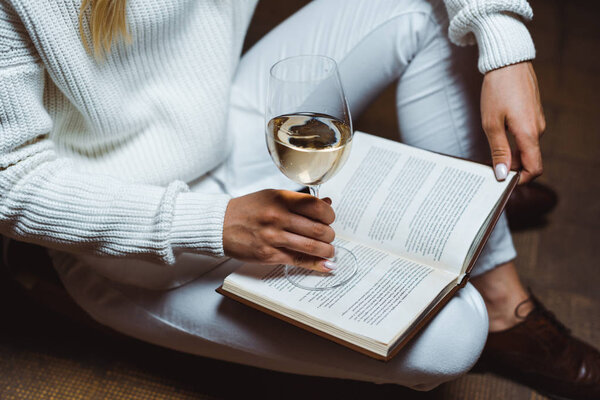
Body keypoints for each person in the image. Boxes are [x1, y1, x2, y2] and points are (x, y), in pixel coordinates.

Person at [0, 0, 597, 397]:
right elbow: (9, 181)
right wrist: (212, 222)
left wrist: (503, 40)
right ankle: (53, 282)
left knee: (426, 11)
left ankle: (498, 289)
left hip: (221, 120)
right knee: (453, 338)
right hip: (139, 239)